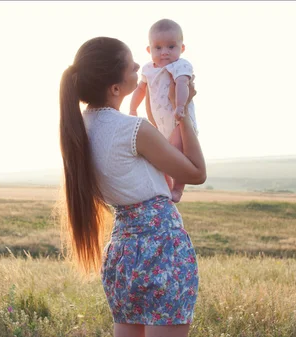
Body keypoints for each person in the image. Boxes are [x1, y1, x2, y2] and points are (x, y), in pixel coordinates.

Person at [59, 36, 206, 337]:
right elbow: (196, 172)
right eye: (130, 65)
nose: (139, 65)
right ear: (115, 89)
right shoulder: (132, 130)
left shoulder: (77, 131)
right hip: (162, 246)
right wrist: (185, 112)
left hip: (122, 252)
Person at [129, 19, 199, 203]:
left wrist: (179, 106)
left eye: (171, 46)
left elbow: (183, 84)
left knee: (176, 153)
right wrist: (132, 107)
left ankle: (178, 189)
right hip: (160, 124)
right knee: (159, 157)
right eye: (158, 48)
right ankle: (166, 186)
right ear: (149, 50)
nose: (165, 52)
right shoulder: (147, 70)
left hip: (179, 120)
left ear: (182, 48)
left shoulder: (180, 65)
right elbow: (140, 89)